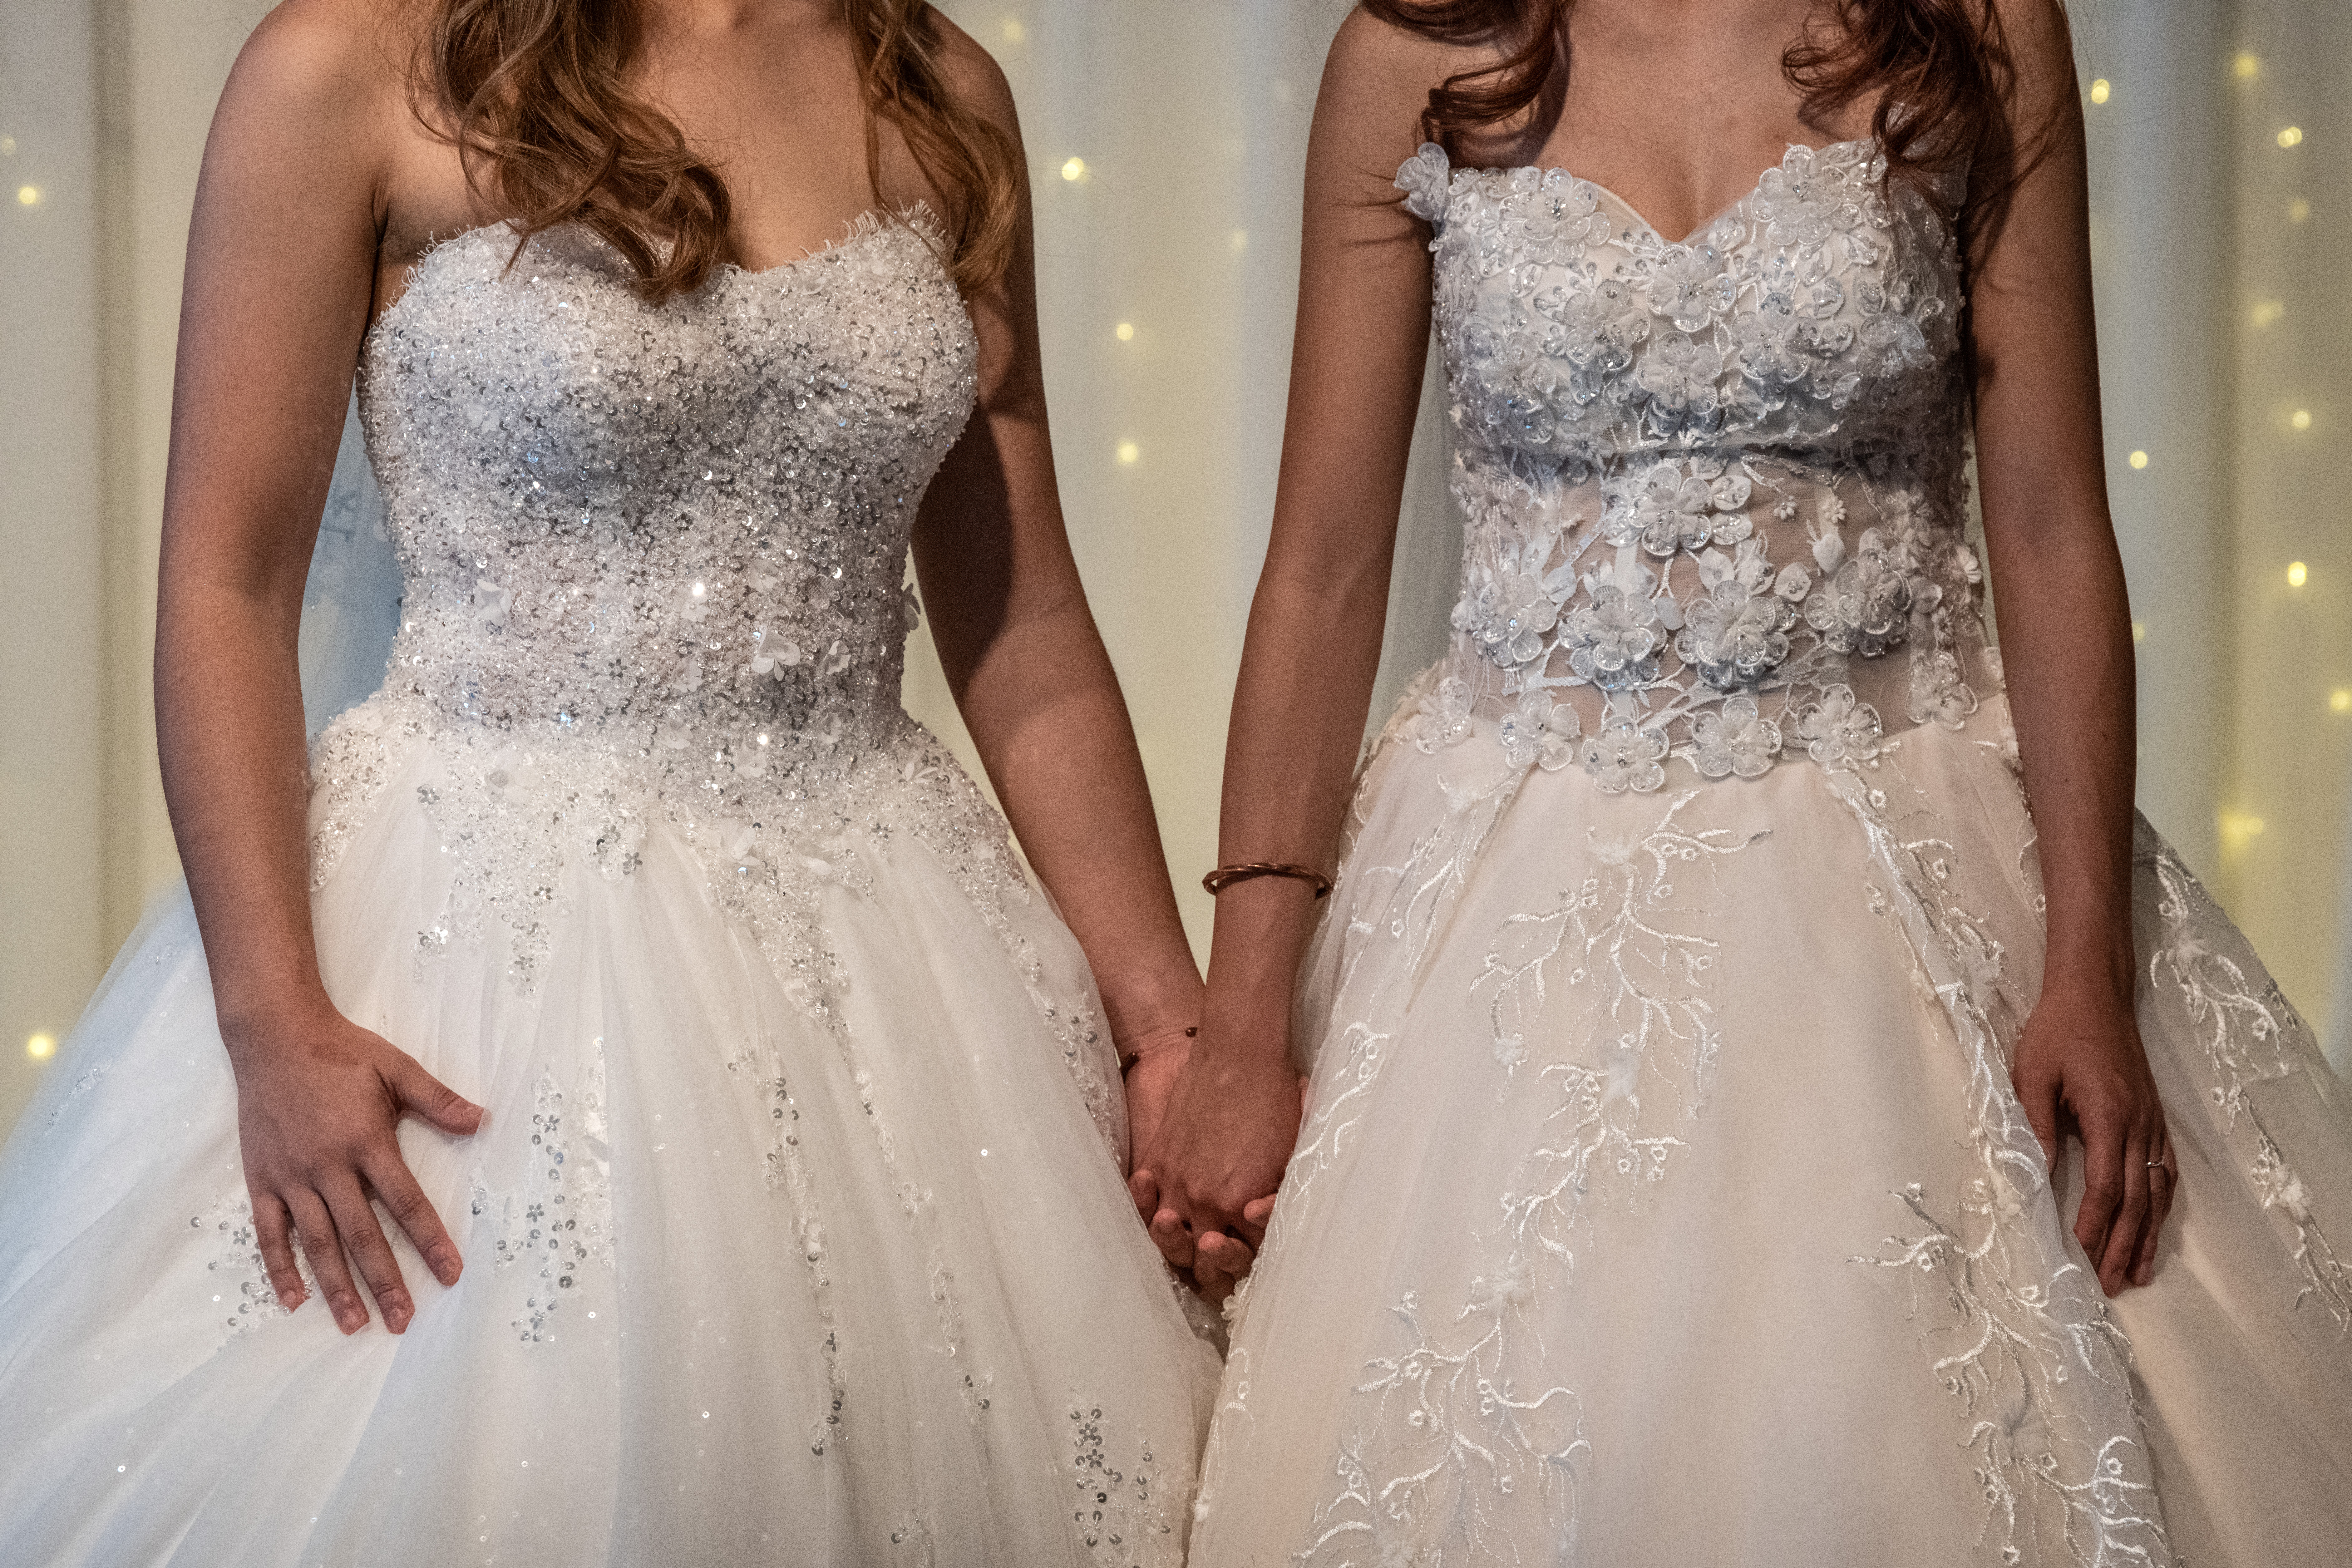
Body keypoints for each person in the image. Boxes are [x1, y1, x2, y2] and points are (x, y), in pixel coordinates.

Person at [0, 1, 1220, 1562]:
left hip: (893, 943)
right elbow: (226, 586)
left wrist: (1170, 1027)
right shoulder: (356, 61)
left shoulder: (934, 85)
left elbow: (1025, 627)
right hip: (476, 939)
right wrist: (271, 1022)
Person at [1134, 1, 2352, 1561]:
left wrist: (2087, 966)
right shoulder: (1418, 50)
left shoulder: (1973, 28)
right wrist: (1242, 1018)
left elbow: (2049, 522)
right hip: (1505, 887)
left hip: (1910, 854)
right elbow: (1322, 567)